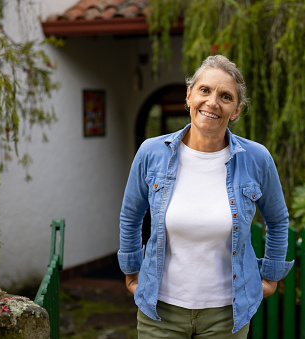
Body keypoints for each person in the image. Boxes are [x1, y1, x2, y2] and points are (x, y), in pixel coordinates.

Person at [118, 55, 293, 338]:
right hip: (160, 312)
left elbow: (278, 219)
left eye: (226, 96)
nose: (213, 102)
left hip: (226, 316)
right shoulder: (151, 153)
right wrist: (131, 268)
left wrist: (271, 276)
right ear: (189, 97)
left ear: (235, 110)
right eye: (205, 90)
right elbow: (130, 215)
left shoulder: (257, 158)